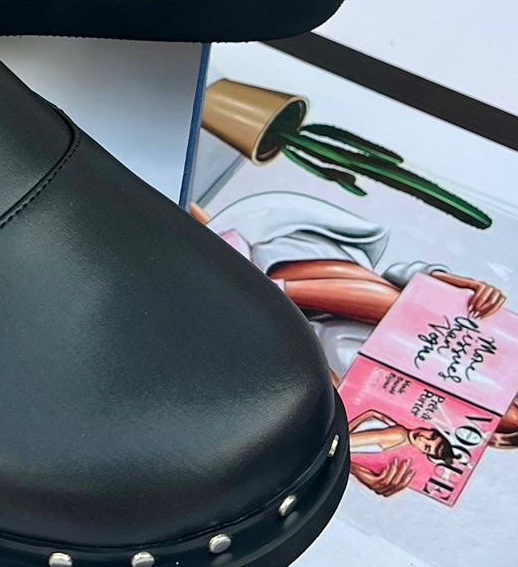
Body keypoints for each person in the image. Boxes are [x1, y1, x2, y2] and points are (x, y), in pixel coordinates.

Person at [193, 192, 518, 495]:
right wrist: (460, 288)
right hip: (315, 278)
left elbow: (334, 432)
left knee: (332, 401)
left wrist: (355, 465)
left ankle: (256, 296)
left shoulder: (406, 431)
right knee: (399, 307)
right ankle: (265, 293)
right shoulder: (473, 348)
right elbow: (403, 276)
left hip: (291, 347)